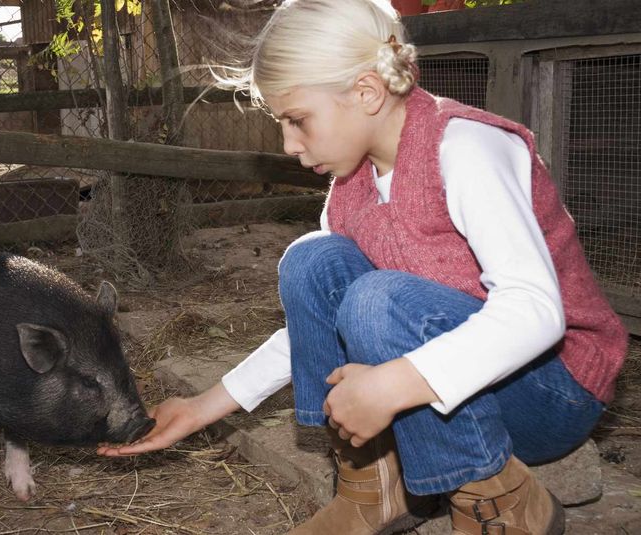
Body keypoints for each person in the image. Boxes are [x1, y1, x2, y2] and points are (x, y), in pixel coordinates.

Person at [97, 1, 628, 533]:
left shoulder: (467, 147)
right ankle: (372, 481)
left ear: (367, 93)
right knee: (312, 260)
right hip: (447, 390)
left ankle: (499, 501)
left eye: (297, 120)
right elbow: (318, 322)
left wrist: (393, 385)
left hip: (550, 392)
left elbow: (536, 312)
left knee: (378, 299)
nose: (288, 144)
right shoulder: (351, 187)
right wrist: (201, 407)